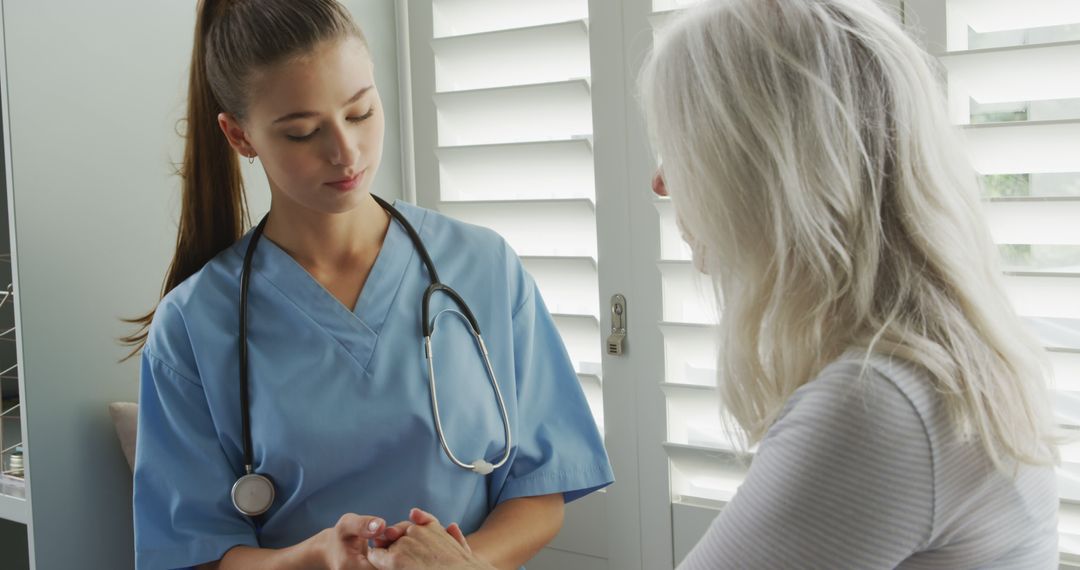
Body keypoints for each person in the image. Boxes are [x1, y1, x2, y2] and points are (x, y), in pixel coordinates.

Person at [372, 0, 1062, 568]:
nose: (661, 182)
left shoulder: (877, 409)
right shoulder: (945, 364)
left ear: (769, 168)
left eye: (686, 147)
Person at [122, 1, 613, 568]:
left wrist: (458, 565)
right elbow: (195, 553)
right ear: (240, 137)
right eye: (303, 132)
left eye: (360, 113)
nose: (345, 152)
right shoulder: (192, 323)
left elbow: (540, 489)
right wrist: (314, 557)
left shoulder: (484, 266)